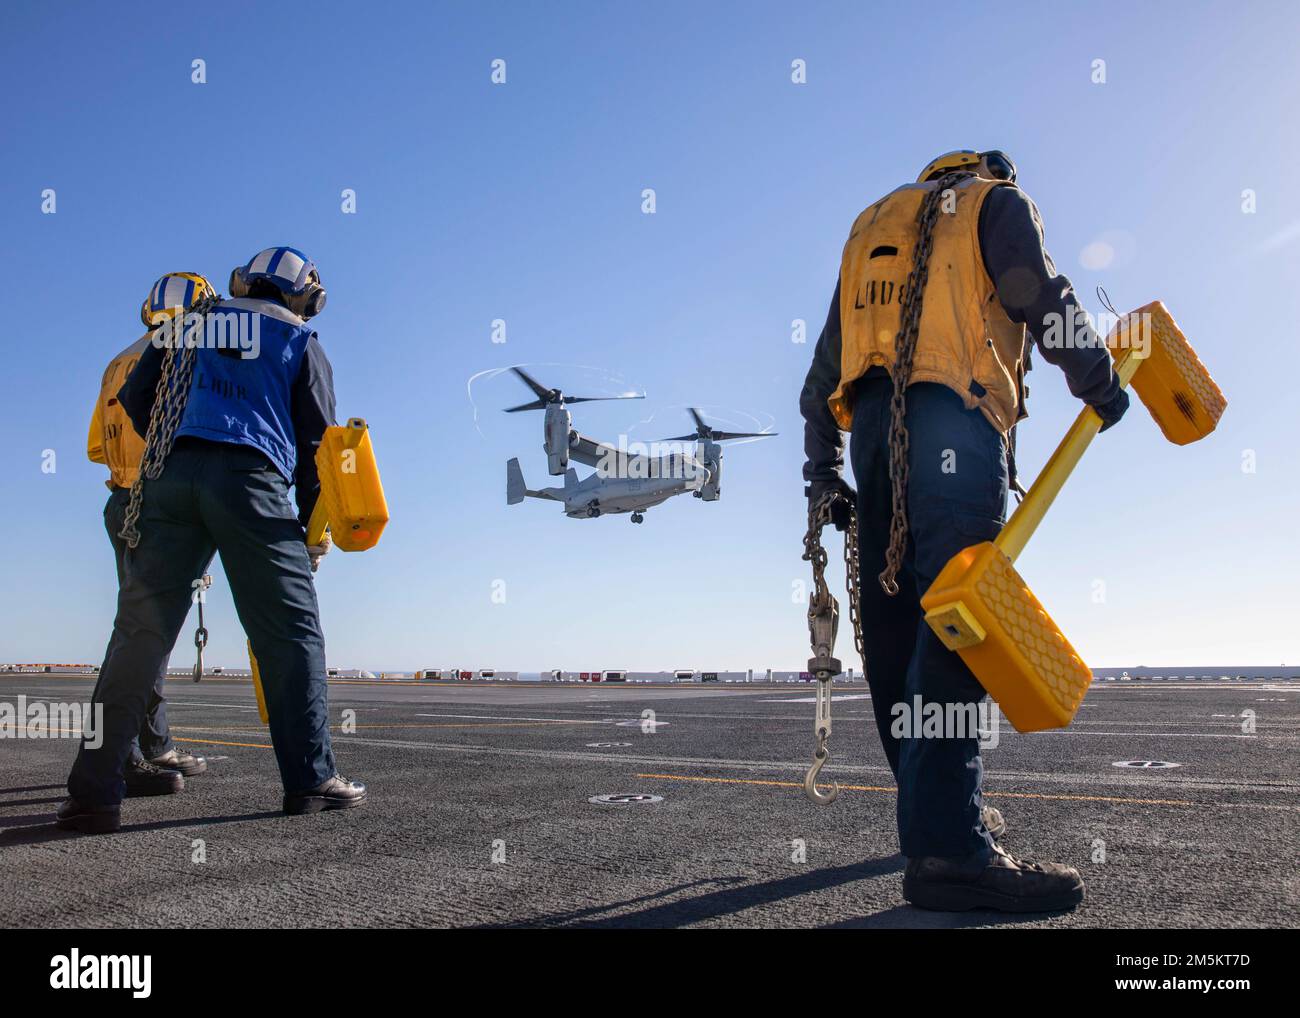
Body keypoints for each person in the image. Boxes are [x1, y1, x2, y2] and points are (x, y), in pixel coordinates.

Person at [799, 150, 1129, 911]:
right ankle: (949, 854)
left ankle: (933, 820)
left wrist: (823, 475)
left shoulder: (871, 227)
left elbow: (821, 379)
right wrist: (1099, 384)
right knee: (957, 628)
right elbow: (1037, 292)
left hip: (875, 434)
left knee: (895, 629)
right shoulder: (993, 202)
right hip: (957, 418)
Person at [58, 246, 365, 835]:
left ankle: (93, 795)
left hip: (169, 482)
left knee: (137, 640)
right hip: (252, 483)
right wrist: (308, 534)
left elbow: (140, 397)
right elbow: (317, 450)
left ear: (243, 283)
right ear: (306, 295)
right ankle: (310, 780)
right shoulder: (303, 341)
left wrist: (179, 452)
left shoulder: (195, 322)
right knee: (289, 632)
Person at [85, 272, 217, 796]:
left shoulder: (118, 361)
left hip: (119, 501)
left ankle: (150, 744)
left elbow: (98, 446)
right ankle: (121, 757)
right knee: (145, 637)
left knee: (137, 631)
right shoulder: (187, 355)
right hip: (160, 506)